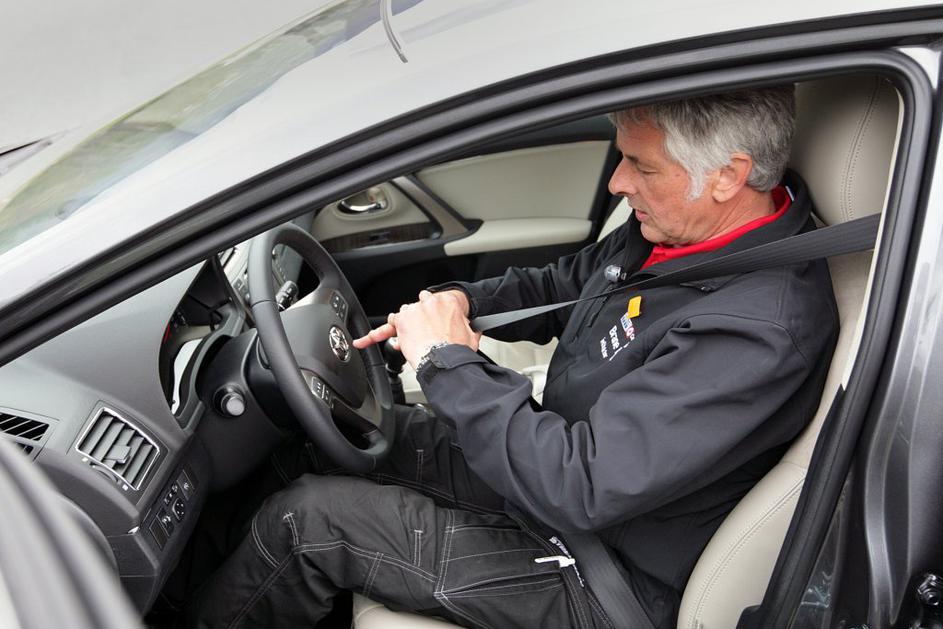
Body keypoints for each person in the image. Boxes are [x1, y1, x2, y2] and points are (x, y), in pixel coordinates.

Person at [187, 85, 838, 629]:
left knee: (306, 523)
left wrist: (447, 361)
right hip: (546, 472)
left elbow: (580, 486)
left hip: (599, 572)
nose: (617, 182)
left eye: (640, 166)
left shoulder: (757, 330)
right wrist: (454, 304)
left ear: (726, 175)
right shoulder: (679, 238)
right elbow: (559, 287)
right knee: (322, 438)